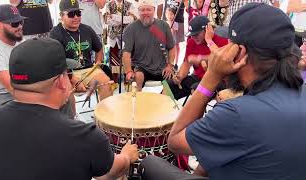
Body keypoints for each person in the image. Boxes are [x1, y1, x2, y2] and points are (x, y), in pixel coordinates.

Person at [141, 3, 306, 179]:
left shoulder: (238, 114)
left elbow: (174, 141)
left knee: (150, 163)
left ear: (240, 52)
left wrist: (212, 75)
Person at [0, 38, 139, 180]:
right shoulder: (84, 136)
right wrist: (126, 156)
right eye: (68, 74)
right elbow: (108, 173)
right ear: (61, 81)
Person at [50, 0, 113, 101]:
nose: (76, 17)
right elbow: (55, 60)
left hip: (88, 70)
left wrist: (98, 63)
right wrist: (72, 78)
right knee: (66, 89)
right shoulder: (55, 33)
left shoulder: (87, 29)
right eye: (71, 14)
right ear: (62, 15)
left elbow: (99, 48)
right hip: (67, 73)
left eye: (78, 13)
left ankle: (104, 115)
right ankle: (72, 116)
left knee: (106, 82)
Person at [168, 15, 228, 100]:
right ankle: (168, 110)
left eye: (196, 34)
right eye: (192, 35)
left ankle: (194, 113)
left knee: (197, 89)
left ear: (207, 30)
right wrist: (179, 77)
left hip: (218, 80)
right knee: (169, 85)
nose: (193, 37)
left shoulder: (221, 40)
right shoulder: (191, 42)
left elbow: (223, 59)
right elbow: (186, 63)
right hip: (199, 77)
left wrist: (202, 56)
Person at [122, 0, 176, 91]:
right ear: (138, 12)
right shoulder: (131, 29)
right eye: (142, 10)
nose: (145, 13)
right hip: (141, 67)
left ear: (154, 10)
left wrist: (170, 65)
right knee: (138, 77)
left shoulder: (163, 26)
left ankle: (166, 103)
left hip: (162, 67)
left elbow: (171, 47)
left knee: (173, 82)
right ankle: (137, 102)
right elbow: (126, 53)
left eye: (148, 10)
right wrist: (128, 71)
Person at [0, 4, 25, 108]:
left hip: (23, 89)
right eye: (15, 23)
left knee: (63, 97)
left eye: (21, 22)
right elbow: (12, 84)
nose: (20, 26)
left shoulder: (22, 43)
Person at [104, 0, 136, 81]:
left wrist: (114, 17)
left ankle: (127, 81)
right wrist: (124, 20)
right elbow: (108, 21)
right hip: (113, 38)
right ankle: (115, 82)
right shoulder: (108, 5)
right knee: (114, 61)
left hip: (126, 38)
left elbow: (131, 20)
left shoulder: (130, 5)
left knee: (127, 59)